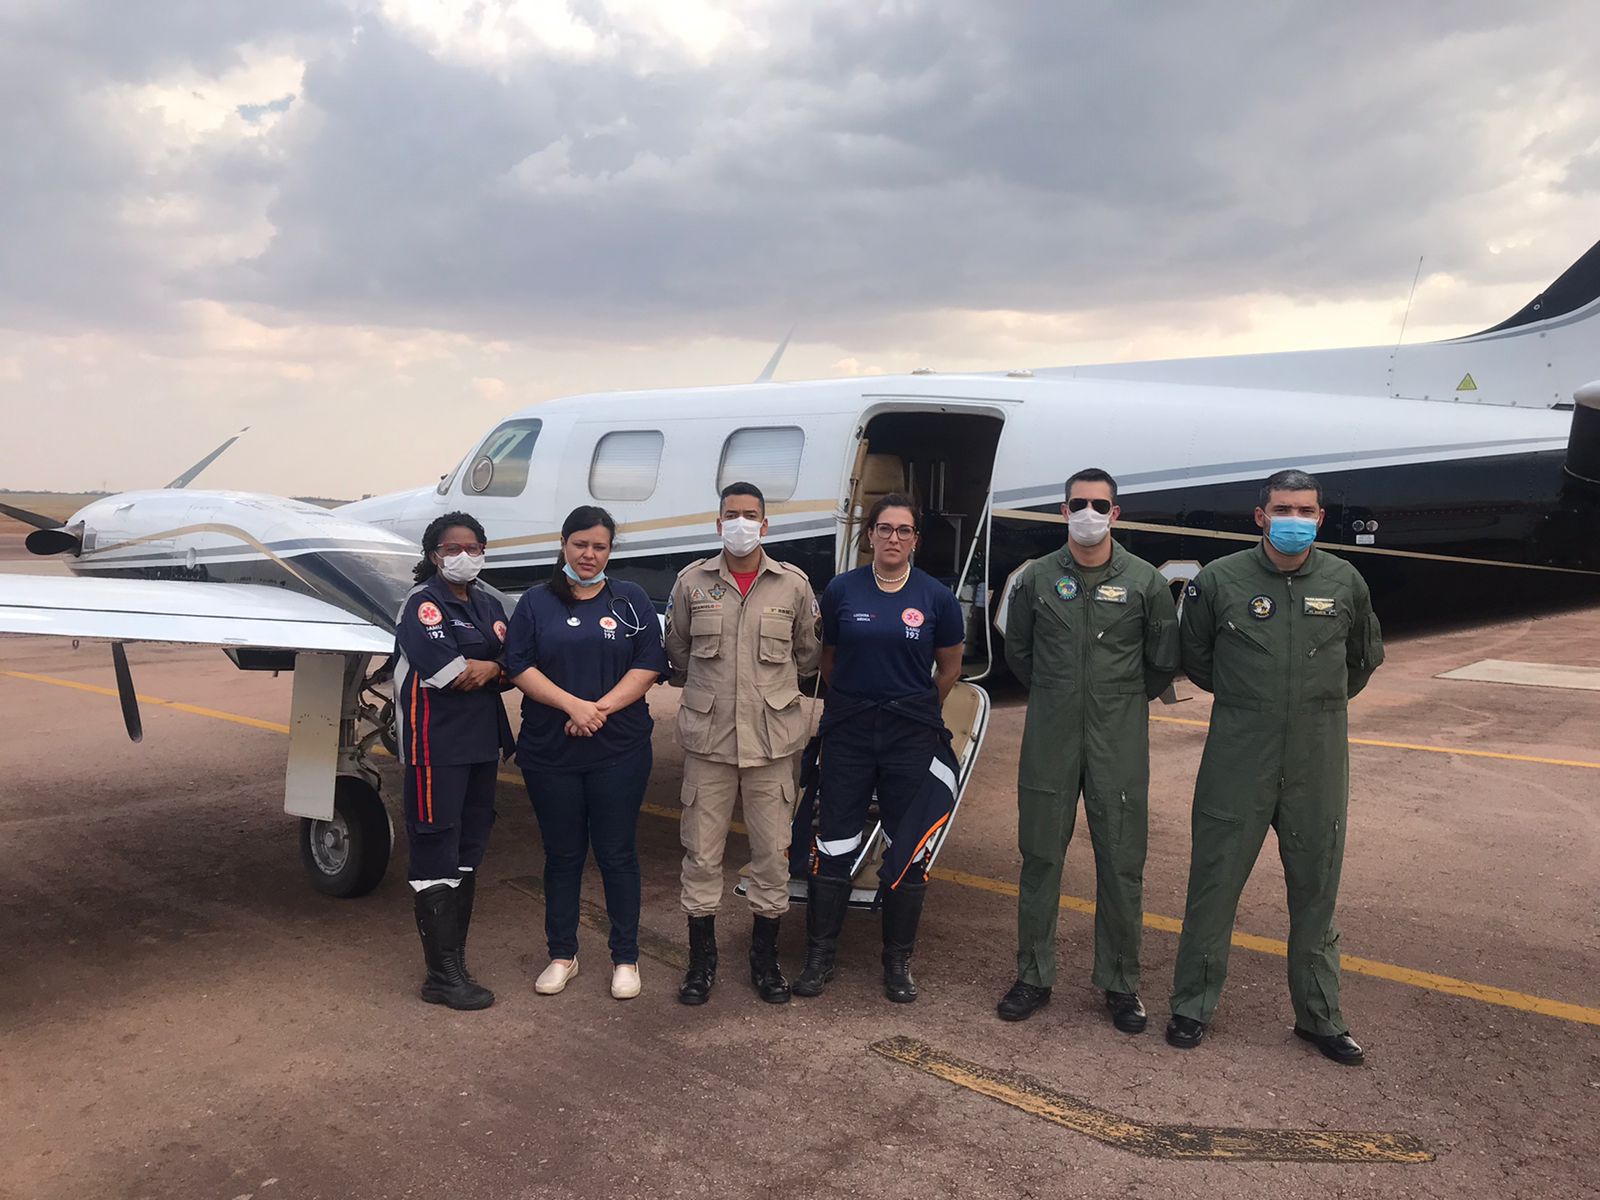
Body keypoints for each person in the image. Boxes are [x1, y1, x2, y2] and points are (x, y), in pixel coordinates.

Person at [1165, 469, 1384, 1064]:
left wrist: (1312, 705)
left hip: (1317, 758)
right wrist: (1254, 702)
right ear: (1260, 515)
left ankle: (1320, 1016)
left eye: (1306, 511)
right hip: (1238, 754)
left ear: (1319, 517)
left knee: (1316, 888)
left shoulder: (1345, 581)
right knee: (1214, 881)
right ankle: (1191, 1005)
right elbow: (1198, 659)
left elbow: (1362, 660)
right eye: (1283, 509)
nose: (1296, 520)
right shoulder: (1220, 581)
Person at [997, 468, 1179, 1030]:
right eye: (1079, 503)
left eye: (1100, 504)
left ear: (1116, 513)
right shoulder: (1036, 579)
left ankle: (1121, 984)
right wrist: (1060, 695)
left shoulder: (1146, 582)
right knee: (1040, 857)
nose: (1089, 513)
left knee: (1123, 862)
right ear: (1062, 510)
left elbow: (1161, 661)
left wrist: (1114, 700)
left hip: (1118, 737)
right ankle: (1033, 975)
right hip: (1050, 734)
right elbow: (1020, 654)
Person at [794, 492, 964, 1004]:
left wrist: (914, 707)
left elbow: (950, 666)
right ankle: (820, 957)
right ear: (869, 535)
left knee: (907, 844)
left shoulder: (936, 597)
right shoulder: (842, 591)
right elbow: (826, 659)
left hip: (909, 737)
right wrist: (858, 700)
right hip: (848, 733)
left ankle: (897, 963)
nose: (893, 538)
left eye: (904, 531)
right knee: (835, 841)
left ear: (915, 539)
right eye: (884, 529)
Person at [664, 482, 822, 1005]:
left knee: (772, 857)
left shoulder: (793, 585)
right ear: (717, 524)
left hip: (771, 747)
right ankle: (701, 962)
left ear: (765, 525)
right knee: (701, 856)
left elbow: (807, 656)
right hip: (709, 744)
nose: (740, 524)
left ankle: (765, 960)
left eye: (749, 515)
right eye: (731, 515)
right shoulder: (692, 582)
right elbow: (680, 652)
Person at [504, 506, 667, 1001]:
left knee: (617, 854)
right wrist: (572, 706)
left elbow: (649, 664)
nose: (589, 554)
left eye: (599, 546)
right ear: (563, 544)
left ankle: (625, 957)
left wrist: (599, 710)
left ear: (610, 550)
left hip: (619, 749)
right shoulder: (535, 601)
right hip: (550, 752)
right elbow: (518, 665)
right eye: (580, 544)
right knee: (563, 854)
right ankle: (562, 954)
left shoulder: (631, 599)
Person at [393, 511, 515, 1011]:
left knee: (467, 848)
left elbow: (516, 664)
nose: (463, 557)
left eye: (472, 548)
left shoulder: (487, 602)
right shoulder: (423, 605)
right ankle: (440, 976)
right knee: (434, 846)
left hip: (481, 744)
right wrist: (494, 666)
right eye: (451, 550)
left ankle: (455, 963)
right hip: (434, 747)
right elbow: (450, 673)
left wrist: (495, 667)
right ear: (432, 555)